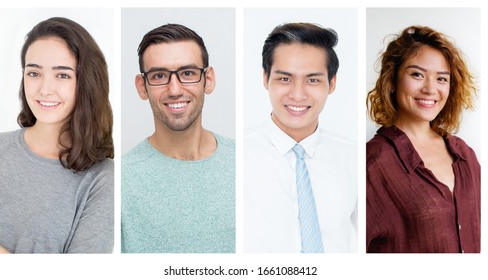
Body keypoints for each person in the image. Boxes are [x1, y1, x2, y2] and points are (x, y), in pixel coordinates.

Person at [0, 17, 114, 253]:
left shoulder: (102, 179)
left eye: (62, 75)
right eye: (34, 73)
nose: (45, 89)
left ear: (86, 83)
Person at [121, 23, 235, 253]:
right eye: (159, 75)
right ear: (142, 87)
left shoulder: (247, 164)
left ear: (208, 79)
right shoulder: (121, 181)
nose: (174, 90)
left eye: (187, 73)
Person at [244, 23, 357, 253]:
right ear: (265, 79)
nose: (297, 94)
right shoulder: (238, 158)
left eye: (312, 80)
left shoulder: (355, 159)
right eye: (285, 79)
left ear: (332, 83)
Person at [366, 26, 479, 253]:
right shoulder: (372, 164)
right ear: (392, 81)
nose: (430, 89)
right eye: (417, 74)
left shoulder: (465, 154)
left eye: (441, 79)